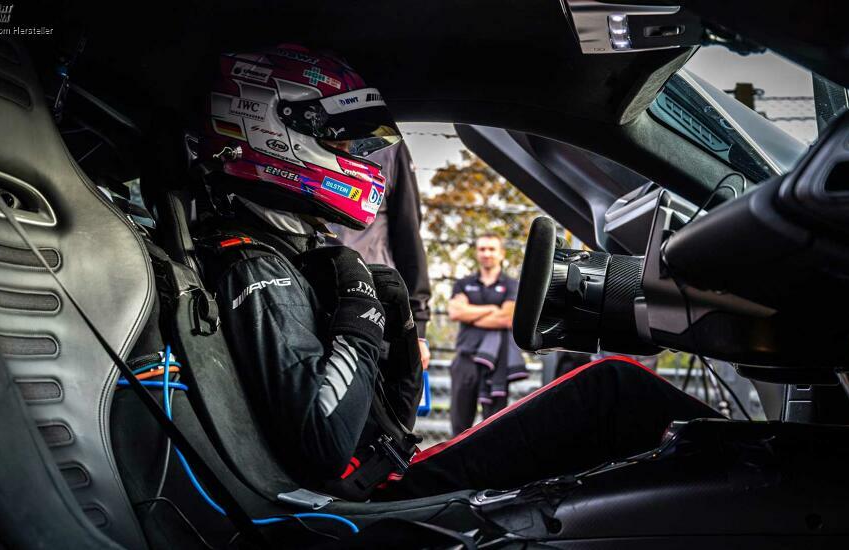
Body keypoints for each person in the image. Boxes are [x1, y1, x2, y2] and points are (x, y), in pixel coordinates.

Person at [189, 45, 721, 502]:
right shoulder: (256, 264)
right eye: (342, 140)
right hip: (364, 502)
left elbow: (380, 425)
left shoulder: (288, 250)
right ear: (269, 126)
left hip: (379, 475)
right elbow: (322, 440)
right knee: (613, 390)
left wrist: (392, 336)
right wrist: (361, 315)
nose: (361, 159)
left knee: (611, 395)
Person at [326, 140, 432, 369]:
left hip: (371, 299)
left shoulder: (387, 146)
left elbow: (408, 236)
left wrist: (418, 329)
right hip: (305, 294)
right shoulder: (288, 129)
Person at [447, 234, 526, 435]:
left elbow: (507, 319)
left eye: (491, 249)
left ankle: (488, 466)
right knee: (459, 424)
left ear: (501, 253)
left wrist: (470, 312)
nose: (486, 253)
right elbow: (455, 312)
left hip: (498, 364)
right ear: (476, 253)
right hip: (465, 360)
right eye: (482, 249)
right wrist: (492, 308)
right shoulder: (463, 283)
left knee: (494, 427)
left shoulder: (512, 285)